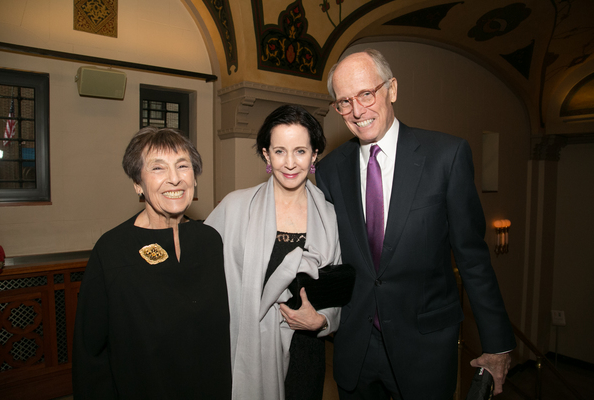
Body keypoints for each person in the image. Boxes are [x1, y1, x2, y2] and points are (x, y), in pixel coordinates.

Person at [315, 49, 516, 400]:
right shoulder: (331, 170)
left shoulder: (446, 157)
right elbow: (331, 258)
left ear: (391, 89)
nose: (357, 111)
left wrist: (497, 345)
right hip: (356, 350)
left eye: (366, 94)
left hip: (425, 350)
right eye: (343, 102)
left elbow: (472, 256)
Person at [72, 127, 231, 399]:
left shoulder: (210, 241)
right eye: (158, 168)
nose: (174, 179)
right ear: (137, 184)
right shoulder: (112, 251)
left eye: (183, 166)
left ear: (194, 177)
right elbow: (91, 353)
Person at [205, 105, 342, 400]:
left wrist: (321, 321)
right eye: (280, 151)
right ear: (266, 154)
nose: (290, 163)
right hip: (250, 345)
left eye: (300, 151)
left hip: (307, 350)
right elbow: (199, 268)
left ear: (315, 154)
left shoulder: (331, 217)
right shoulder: (235, 207)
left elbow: (339, 288)